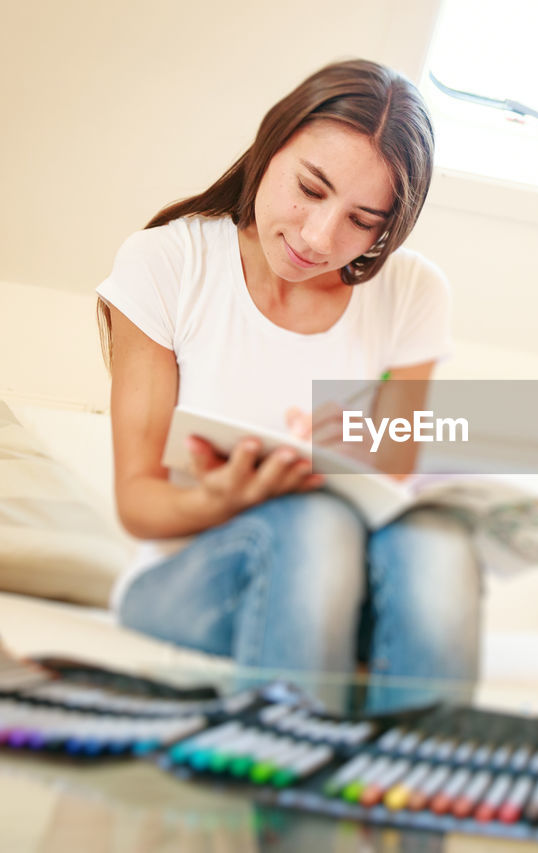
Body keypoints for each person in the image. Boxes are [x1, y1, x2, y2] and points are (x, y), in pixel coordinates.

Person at [94, 59, 480, 713]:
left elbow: (395, 484)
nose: (318, 236)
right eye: (309, 187)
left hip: (349, 584)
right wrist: (226, 495)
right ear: (270, 146)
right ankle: (284, 786)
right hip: (187, 575)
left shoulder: (413, 292)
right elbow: (139, 504)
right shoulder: (168, 261)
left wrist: (370, 463)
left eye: (363, 220)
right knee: (311, 519)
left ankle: (416, 788)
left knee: (435, 539)